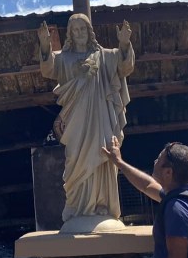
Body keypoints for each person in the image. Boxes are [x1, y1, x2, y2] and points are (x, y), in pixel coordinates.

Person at [38, 14, 135, 228]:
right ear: (70, 34)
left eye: (83, 29)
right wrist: (45, 46)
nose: (80, 33)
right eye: (75, 30)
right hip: (76, 123)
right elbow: (48, 68)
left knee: (104, 156)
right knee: (75, 159)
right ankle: (78, 208)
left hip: (101, 118)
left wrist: (125, 43)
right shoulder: (64, 58)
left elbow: (124, 67)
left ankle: (102, 205)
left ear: (89, 31)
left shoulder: (105, 56)